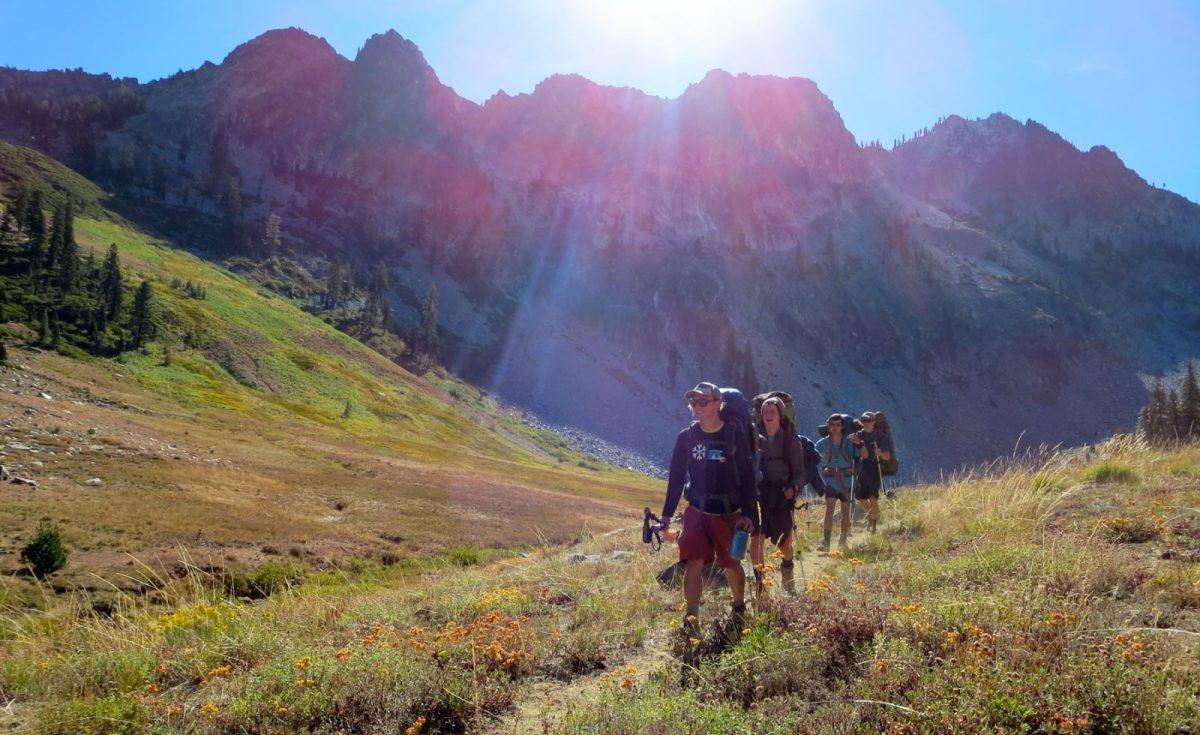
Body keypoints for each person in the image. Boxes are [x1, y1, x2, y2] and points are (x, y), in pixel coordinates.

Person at [660, 382, 758, 631]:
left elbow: (747, 476)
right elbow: (676, 477)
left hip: (728, 512)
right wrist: (667, 515)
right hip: (696, 510)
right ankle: (691, 619)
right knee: (693, 561)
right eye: (693, 402)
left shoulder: (734, 435)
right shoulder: (687, 437)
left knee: (732, 564)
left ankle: (738, 608)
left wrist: (749, 515)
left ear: (718, 403)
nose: (697, 406)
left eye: (703, 401)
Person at [750, 397, 805, 596]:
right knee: (756, 539)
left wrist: (794, 488)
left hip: (782, 497)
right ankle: (760, 586)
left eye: (773, 411)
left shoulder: (791, 442)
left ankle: (787, 567)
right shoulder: (754, 439)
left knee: (785, 545)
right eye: (765, 410)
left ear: (781, 416)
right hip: (759, 497)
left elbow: (800, 473)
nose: (768, 414)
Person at [814, 413, 857, 551]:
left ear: (842, 426)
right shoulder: (823, 443)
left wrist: (860, 443)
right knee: (829, 508)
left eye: (837, 425)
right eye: (832, 424)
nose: (834, 427)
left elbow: (860, 456)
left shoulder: (850, 442)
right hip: (832, 480)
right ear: (828, 425)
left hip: (846, 481)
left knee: (845, 511)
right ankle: (826, 542)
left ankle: (842, 541)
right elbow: (814, 453)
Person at [851, 411, 893, 533]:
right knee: (860, 497)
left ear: (874, 422)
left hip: (875, 467)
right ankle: (873, 515)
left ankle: (873, 524)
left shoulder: (881, 436)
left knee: (873, 497)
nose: (866, 423)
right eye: (863, 420)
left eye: (868, 420)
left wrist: (880, 453)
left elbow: (887, 457)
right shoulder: (858, 435)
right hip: (862, 468)